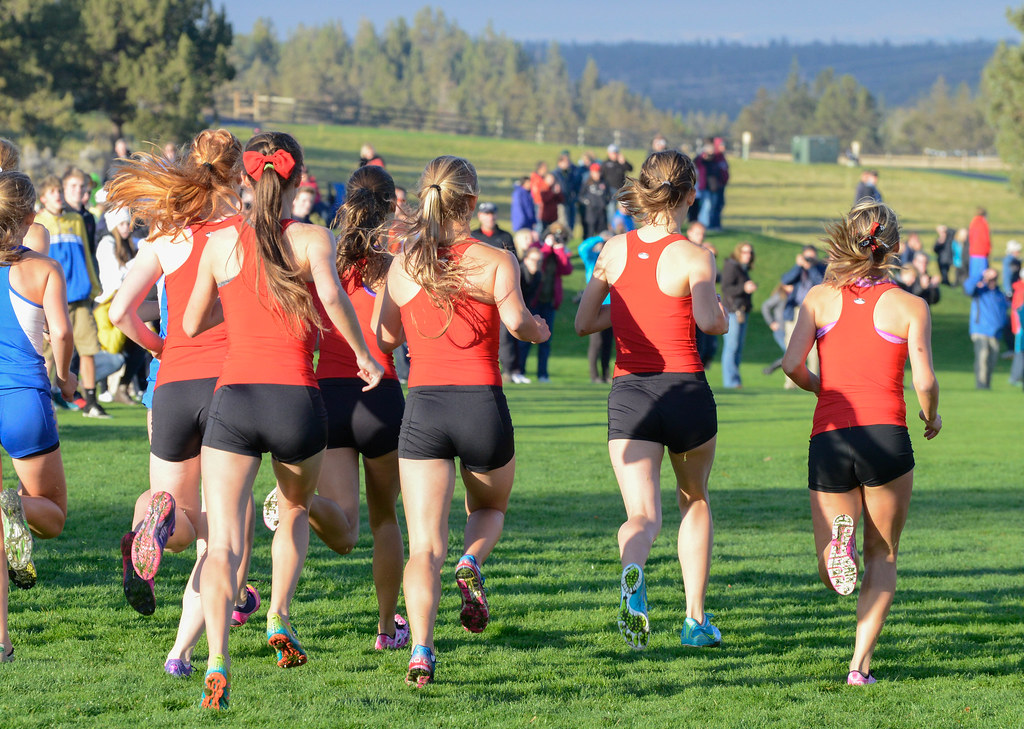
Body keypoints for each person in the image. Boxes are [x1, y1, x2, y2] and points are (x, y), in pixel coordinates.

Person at [182, 131, 383, 709]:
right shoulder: (313, 238)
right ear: (299, 179)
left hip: (236, 399)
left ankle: (216, 659)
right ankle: (278, 614)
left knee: (222, 543)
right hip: (296, 399)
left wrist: (236, 301)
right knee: (295, 509)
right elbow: (334, 300)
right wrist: (365, 356)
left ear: (246, 178)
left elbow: (192, 324)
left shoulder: (221, 243)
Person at [377, 155, 550, 686]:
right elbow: (517, 323)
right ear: (471, 202)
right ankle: (472, 561)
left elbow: (385, 337)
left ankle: (421, 650)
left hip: (424, 408)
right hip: (481, 405)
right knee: (490, 508)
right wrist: (540, 329)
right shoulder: (496, 259)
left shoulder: (404, 264)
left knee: (424, 547)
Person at [782, 199, 940, 686]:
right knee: (884, 555)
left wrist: (821, 389)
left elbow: (791, 365)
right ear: (893, 246)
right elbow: (925, 381)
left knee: (833, 568)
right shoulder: (911, 305)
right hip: (886, 437)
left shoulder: (818, 298)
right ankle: (859, 667)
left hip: (830, 435)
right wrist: (931, 415)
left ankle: (839, 548)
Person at [575, 150, 728, 651]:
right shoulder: (695, 255)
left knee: (641, 516)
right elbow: (709, 321)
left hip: (631, 394)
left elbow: (584, 322)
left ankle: (634, 571)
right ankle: (694, 621)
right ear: (690, 195)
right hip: (684, 391)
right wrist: (723, 312)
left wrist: (629, 311)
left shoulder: (612, 249)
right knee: (694, 499)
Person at [269, 163, 410, 651]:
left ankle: (298, 502)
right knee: (385, 518)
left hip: (328, 393)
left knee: (345, 533)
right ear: (391, 207)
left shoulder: (319, 253)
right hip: (381, 394)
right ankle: (387, 628)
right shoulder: (394, 263)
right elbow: (392, 336)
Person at [0, 170, 76, 662]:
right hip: (22, 399)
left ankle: (1, 639)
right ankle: (11, 506)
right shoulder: (43, 268)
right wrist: (65, 378)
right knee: (52, 515)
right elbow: (62, 334)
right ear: (31, 217)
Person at [34, 175, 107, 418]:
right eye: (52, 192)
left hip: (79, 295)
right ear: (43, 198)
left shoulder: (76, 219)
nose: (58, 195)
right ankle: (44, 400)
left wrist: (94, 285)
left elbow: (86, 254)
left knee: (88, 348)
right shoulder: (38, 223)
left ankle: (91, 401)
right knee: (46, 354)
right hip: (50, 299)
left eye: (59, 191)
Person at [517, 223, 572, 383]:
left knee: (545, 340)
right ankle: (520, 371)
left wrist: (559, 250)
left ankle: (543, 374)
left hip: (549, 301)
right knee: (526, 339)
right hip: (533, 300)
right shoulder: (538, 247)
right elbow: (538, 261)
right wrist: (547, 246)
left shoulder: (558, 251)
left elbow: (566, 269)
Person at [471, 202, 519, 380]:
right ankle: (477, 368)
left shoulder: (505, 236)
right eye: (486, 213)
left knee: (505, 334)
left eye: (492, 213)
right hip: (477, 292)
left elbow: (514, 264)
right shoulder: (473, 236)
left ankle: (509, 370)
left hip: (501, 292)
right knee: (478, 332)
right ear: (480, 216)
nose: (489, 217)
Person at [780, 245, 827, 389]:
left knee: (813, 349)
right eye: (807, 257)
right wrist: (798, 266)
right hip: (795, 310)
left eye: (811, 257)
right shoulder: (798, 270)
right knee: (790, 345)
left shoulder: (820, 269)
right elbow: (785, 280)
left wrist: (811, 267)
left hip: (813, 311)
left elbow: (820, 283)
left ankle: (814, 381)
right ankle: (790, 382)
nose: (809, 259)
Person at [963, 266, 1008, 389]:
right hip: (980, 331)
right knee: (982, 359)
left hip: (995, 333)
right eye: (990, 278)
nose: (992, 281)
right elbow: (968, 287)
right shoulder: (980, 292)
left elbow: (1003, 312)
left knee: (992, 361)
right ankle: (981, 385)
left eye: (994, 278)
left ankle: (987, 385)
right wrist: (982, 275)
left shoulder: (1000, 294)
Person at [578, 230, 614, 383]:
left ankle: (606, 374)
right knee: (596, 342)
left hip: (613, 305)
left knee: (608, 343)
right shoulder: (593, 259)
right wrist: (600, 238)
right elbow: (582, 248)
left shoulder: (614, 262)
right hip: (596, 305)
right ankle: (594, 376)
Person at [720, 242, 756, 388]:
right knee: (732, 346)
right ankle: (731, 382)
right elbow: (726, 288)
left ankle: (735, 380)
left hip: (742, 311)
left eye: (750, 252)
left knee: (738, 348)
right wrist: (744, 287)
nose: (748, 255)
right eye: (745, 252)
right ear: (738, 252)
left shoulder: (743, 268)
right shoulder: (731, 266)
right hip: (732, 311)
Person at [579, 163, 610, 240]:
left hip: (602, 211)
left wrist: (605, 202)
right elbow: (580, 196)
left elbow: (609, 195)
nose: (597, 174)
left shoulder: (604, 182)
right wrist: (588, 202)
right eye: (595, 172)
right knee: (590, 232)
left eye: (598, 172)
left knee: (603, 232)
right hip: (591, 212)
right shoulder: (587, 183)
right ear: (591, 173)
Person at [967, 207, 991, 281]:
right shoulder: (982, 224)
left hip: (973, 252)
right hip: (981, 253)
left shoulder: (973, 223)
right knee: (981, 275)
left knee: (973, 274)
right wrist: (988, 250)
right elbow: (985, 239)